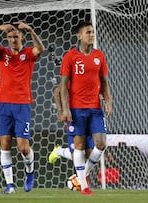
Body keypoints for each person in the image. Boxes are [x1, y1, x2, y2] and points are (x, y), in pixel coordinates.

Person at [0, 21, 44, 194]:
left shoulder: (28, 54)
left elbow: (40, 48)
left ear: (22, 37)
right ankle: (10, 185)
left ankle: (30, 173)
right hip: (3, 104)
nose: (13, 40)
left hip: (22, 105)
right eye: (10, 37)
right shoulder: (2, 54)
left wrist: (32, 30)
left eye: (16, 36)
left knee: (23, 147)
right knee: (5, 143)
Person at [59, 21, 113, 195]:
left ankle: (80, 177)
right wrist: (65, 109)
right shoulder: (70, 57)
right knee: (80, 147)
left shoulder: (100, 56)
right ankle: (84, 186)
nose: (92, 35)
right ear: (79, 35)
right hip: (76, 109)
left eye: (92, 32)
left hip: (95, 108)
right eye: (88, 32)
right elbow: (62, 85)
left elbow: (104, 82)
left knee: (101, 144)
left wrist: (108, 100)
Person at [49, 86, 94, 163]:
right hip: (74, 119)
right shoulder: (73, 78)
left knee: (89, 154)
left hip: (89, 117)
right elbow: (57, 91)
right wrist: (60, 112)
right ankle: (59, 151)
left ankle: (83, 174)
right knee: (76, 156)